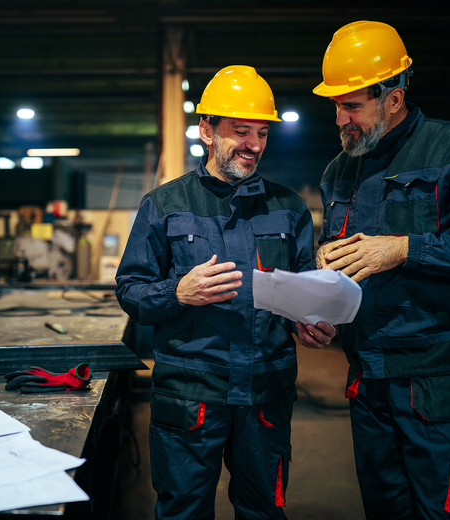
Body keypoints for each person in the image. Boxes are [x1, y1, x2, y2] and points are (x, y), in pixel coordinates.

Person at [312, 21, 450, 520]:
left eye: (353, 106)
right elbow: (345, 259)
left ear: (393, 97)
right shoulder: (339, 170)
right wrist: (319, 296)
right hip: (369, 380)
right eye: (336, 106)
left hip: (442, 384)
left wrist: (407, 249)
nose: (341, 119)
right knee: (385, 510)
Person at [116, 65, 336, 520]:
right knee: (183, 511)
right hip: (190, 393)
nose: (253, 145)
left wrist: (309, 323)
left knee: (263, 510)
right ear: (206, 130)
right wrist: (178, 292)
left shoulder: (289, 207)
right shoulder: (164, 204)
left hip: (265, 393)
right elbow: (131, 291)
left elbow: (302, 290)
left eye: (261, 133)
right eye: (240, 131)